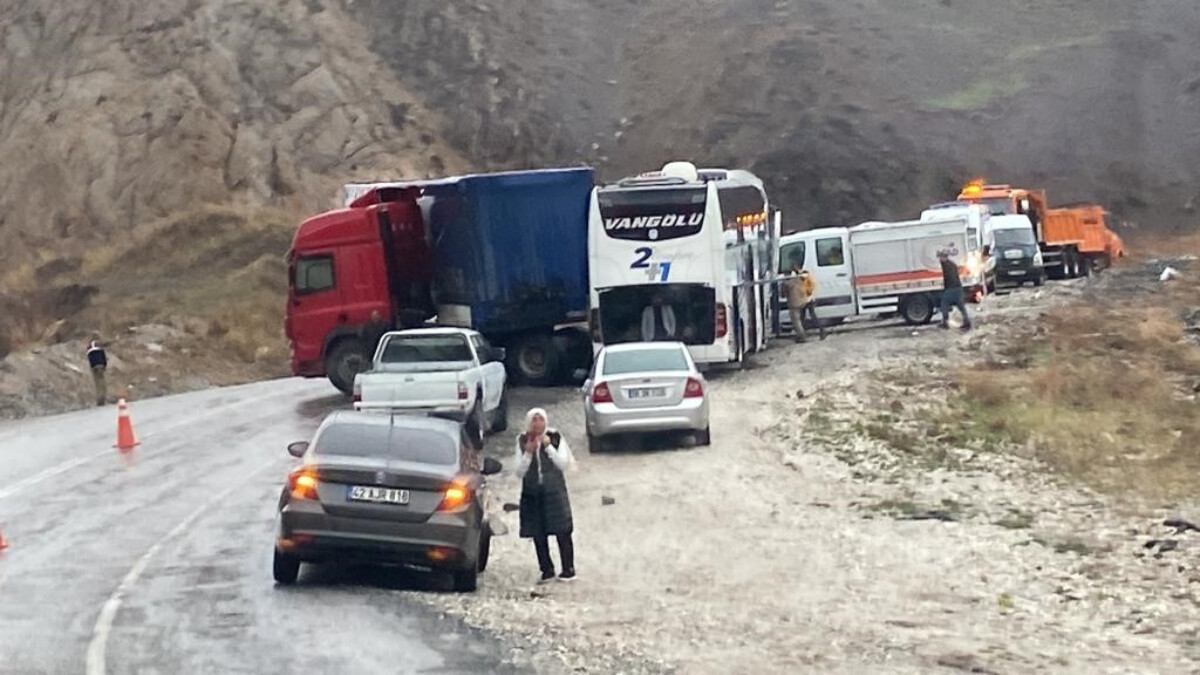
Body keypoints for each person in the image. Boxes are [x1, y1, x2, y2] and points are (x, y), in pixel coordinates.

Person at [515, 408, 576, 582]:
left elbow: (563, 464)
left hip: (554, 490)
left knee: (562, 530)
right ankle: (546, 569)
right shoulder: (521, 440)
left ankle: (568, 568)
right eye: (534, 420)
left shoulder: (556, 437)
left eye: (540, 420)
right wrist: (528, 452)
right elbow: (519, 472)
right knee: (537, 532)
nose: (537, 424)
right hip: (532, 492)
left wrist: (548, 447)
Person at [784, 264, 824, 342]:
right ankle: (802, 335)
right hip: (805, 299)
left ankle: (805, 335)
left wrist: (808, 293)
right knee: (802, 318)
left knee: (810, 318)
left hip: (808, 299)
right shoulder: (798, 277)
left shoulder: (802, 275)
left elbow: (810, 284)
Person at [938, 250, 972, 331]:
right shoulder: (952, 264)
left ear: (944, 257)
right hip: (958, 288)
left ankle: (945, 323)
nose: (939, 259)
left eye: (940, 257)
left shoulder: (945, 265)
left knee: (944, 304)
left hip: (950, 288)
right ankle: (967, 322)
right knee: (961, 306)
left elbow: (944, 270)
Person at [86, 334, 108, 407]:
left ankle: (99, 400)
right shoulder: (99, 345)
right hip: (100, 365)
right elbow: (103, 356)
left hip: (94, 367)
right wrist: (105, 365)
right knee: (102, 383)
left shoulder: (89, 347)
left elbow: (89, 358)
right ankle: (103, 399)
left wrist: (91, 367)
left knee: (97, 384)